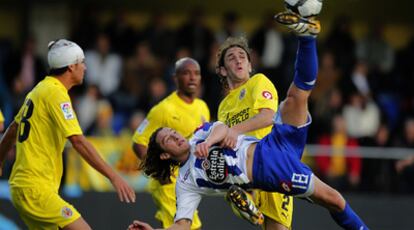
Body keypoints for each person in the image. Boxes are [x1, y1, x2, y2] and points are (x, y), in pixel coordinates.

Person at [128, 11, 369, 230]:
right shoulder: (222, 108)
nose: (239, 60)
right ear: (222, 70)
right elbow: (218, 167)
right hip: (261, 174)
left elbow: (260, 118)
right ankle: (250, 206)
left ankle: (307, 38)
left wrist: (228, 132)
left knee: (295, 99)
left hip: (275, 146)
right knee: (331, 201)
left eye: (243, 56)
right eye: (231, 58)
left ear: (251, 65)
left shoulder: (257, 82)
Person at [0, 39, 136, 229]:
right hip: (36, 189)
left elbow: (13, 128)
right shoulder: (56, 94)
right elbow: (78, 141)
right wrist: (113, 176)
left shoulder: (38, 90)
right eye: (82, 63)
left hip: (24, 187)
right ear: (71, 67)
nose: (85, 68)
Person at [132, 57, 210, 229]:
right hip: (169, 184)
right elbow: (138, 143)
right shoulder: (163, 109)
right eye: (186, 73)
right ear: (176, 78)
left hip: (189, 181)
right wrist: (160, 173)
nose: (192, 78)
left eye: (196, 73)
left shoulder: (202, 106)